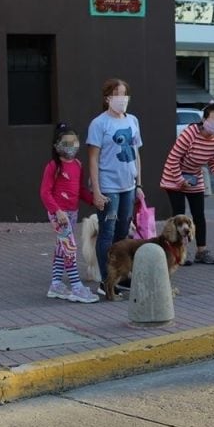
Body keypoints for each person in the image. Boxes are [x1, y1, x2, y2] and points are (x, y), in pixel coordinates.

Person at [87, 78, 144, 292]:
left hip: (128, 185)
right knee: (107, 233)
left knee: (122, 233)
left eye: (125, 94)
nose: (122, 99)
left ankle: (120, 274)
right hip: (108, 187)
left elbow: (136, 153)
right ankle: (105, 280)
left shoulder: (132, 121)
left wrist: (139, 183)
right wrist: (97, 191)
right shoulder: (99, 123)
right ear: (108, 98)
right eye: (118, 94)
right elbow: (93, 158)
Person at [160, 102, 214, 265]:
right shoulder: (189, 133)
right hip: (174, 176)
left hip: (194, 176)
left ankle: (201, 251)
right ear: (204, 120)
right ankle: (178, 253)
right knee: (179, 215)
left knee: (199, 215)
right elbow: (173, 158)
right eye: (213, 120)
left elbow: (213, 161)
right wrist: (180, 180)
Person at [40, 123, 100, 303]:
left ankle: (56, 284)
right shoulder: (53, 167)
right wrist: (57, 211)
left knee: (61, 248)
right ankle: (76, 286)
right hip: (60, 215)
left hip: (72, 213)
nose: (71, 146)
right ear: (57, 146)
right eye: (66, 143)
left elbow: (80, 190)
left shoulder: (77, 165)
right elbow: (45, 192)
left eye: (74, 142)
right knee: (70, 248)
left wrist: (93, 200)